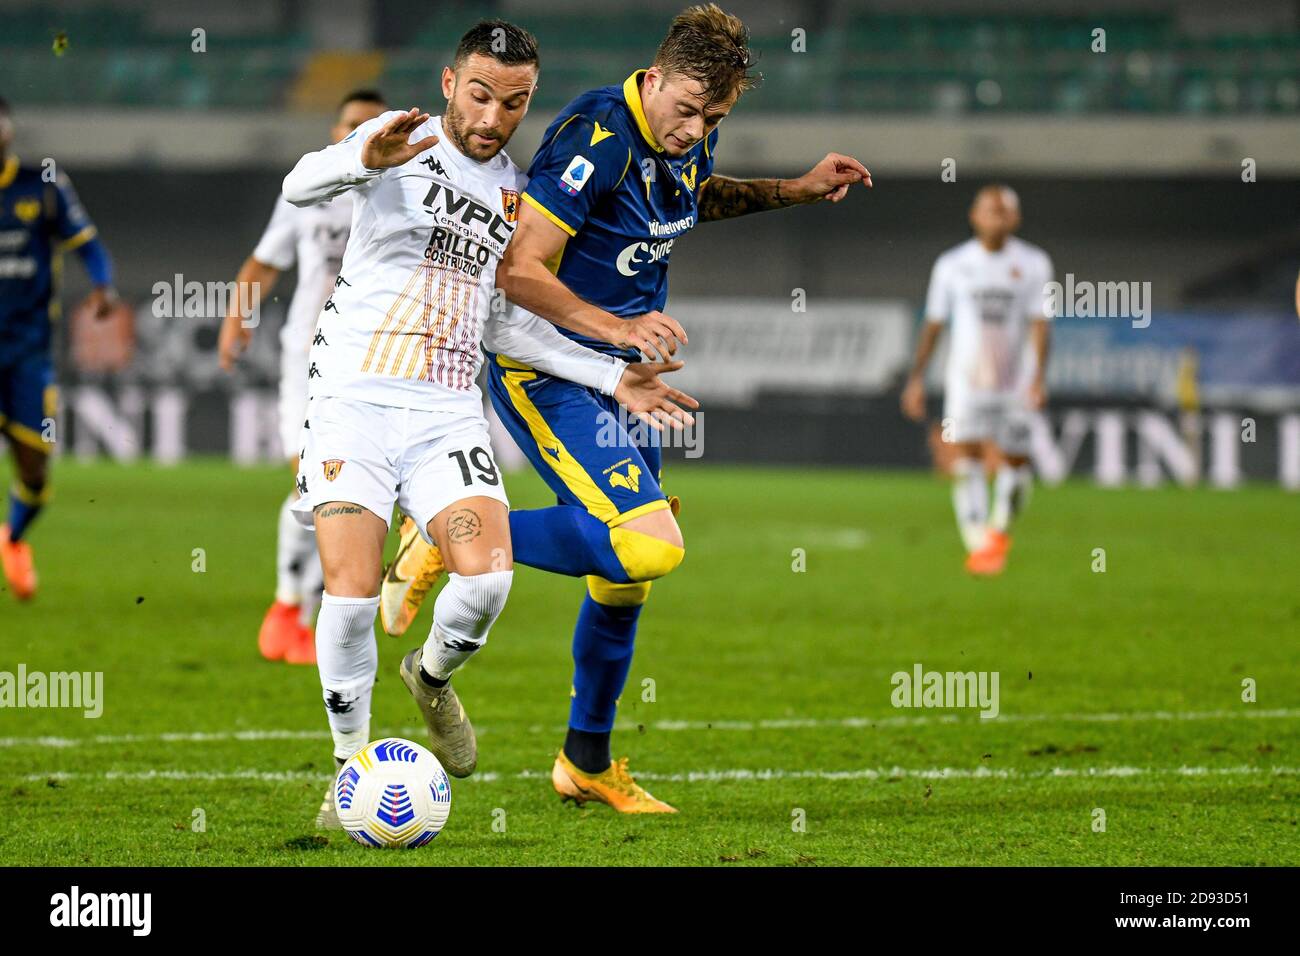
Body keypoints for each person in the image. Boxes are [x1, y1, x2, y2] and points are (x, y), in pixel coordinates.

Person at [384, 3, 871, 813]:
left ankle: (586, 763)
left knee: (622, 582)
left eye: (713, 117)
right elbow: (519, 269)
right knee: (645, 545)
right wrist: (619, 327)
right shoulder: (595, 137)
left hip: (625, 375)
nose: (694, 130)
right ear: (654, 79)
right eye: (686, 111)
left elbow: (689, 197)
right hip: (552, 368)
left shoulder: (689, 131)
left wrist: (793, 189)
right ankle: (446, 528)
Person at [279, 20, 695, 828]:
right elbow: (300, 185)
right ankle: (347, 768)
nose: (493, 115)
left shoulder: (513, 190)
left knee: (488, 580)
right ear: (447, 84)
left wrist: (615, 371)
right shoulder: (396, 140)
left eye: (514, 101)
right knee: (354, 593)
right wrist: (359, 159)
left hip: (444, 412)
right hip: (354, 403)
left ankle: (430, 678)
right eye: (480, 93)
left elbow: (504, 323)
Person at [217, 90, 388, 664]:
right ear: (335, 129)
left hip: (374, 362)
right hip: (308, 357)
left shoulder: (402, 191)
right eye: (350, 124)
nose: (360, 131)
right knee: (315, 482)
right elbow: (265, 261)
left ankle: (308, 611)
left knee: (352, 492)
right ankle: (288, 604)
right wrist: (237, 320)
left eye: (370, 124)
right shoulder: (310, 187)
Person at [0, 95, 120, 601]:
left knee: (35, 464)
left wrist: (103, 284)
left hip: (28, 353)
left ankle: (13, 539)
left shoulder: (43, 185)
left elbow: (87, 243)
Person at [901, 184, 1053, 576]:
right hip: (965, 383)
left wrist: (1038, 377)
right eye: (989, 210)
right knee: (965, 460)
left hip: (1014, 384)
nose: (996, 217)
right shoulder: (952, 265)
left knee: (1016, 467)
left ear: (1015, 219)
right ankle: (981, 545)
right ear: (974, 215)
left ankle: (999, 528)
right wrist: (916, 379)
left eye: (1004, 211)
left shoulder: (1034, 263)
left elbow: (1041, 325)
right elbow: (934, 324)